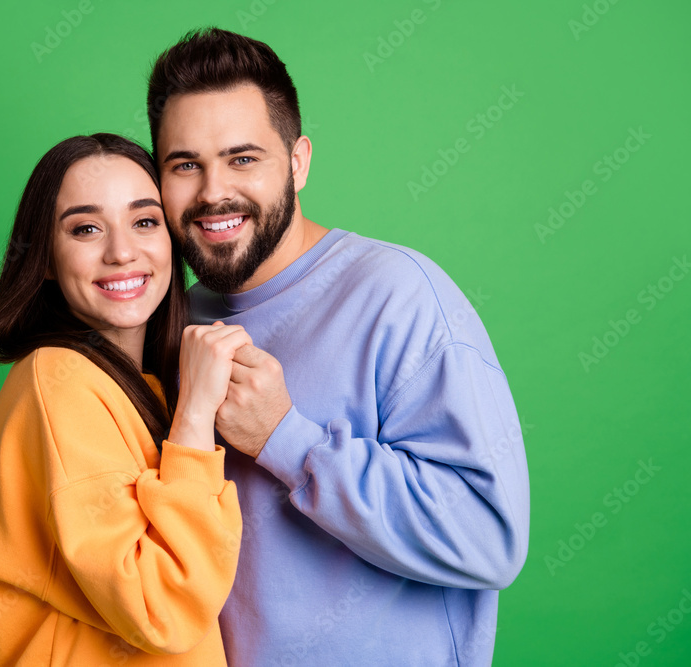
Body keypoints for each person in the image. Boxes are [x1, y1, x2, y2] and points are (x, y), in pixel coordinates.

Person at [146, 29, 531, 666]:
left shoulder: (401, 296)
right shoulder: (170, 321)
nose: (213, 192)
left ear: (297, 161)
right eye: (185, 164)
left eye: (243, 159)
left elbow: (488, 538)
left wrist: (284, 438)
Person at [0, 133, 249, 666]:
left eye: (145, 221)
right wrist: (194, 417)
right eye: (86, 228)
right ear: (46, 258)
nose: (121, 251)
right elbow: (158, 606)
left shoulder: (140, 388)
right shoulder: (59, 379)